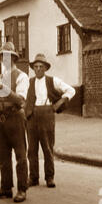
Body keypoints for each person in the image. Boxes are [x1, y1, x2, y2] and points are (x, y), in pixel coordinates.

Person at [0, 42, 29, 203]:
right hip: (1, 120)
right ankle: (6, 188)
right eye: (1, 56)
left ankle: (22, 189)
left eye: (7, 56)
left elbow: (20, 100)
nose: (3, 59)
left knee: (20, 155)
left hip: (15, 118)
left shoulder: (21, 76)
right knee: (2, 156)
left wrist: (3, 87)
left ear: (13, 58)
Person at [25, 53, 76, 188]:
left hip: (47, 115)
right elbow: (21, 97)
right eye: (36, 66)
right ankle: (33, 177)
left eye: (41, 66)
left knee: (47, 148)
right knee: (32, 149)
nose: (38, 69)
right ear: (33, 68)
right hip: (31, 116)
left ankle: (49, 177)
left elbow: (71, 90)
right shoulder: (28, 82)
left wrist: (59, 103)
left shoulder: (52, 81)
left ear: (46, 68)